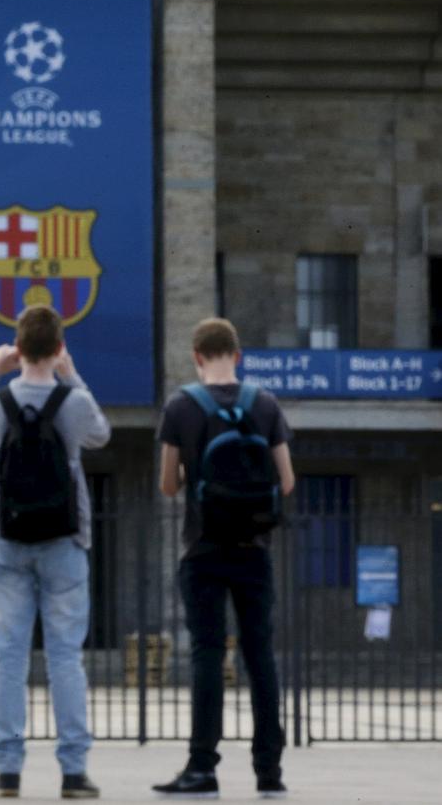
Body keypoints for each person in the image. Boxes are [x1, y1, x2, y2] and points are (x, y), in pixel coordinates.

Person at [0, 305, 109, 800]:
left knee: (9, 659)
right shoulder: (72, 402)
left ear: (18, 349)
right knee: (65, 658)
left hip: (8, 540)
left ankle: (8, 770)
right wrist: (72, 375)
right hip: (65, 542)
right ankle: (74, 772)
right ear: (58, 348)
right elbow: (101, 433)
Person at [152, 318, 294, 800]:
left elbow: (168, 485)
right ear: (237, 356)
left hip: (203, 549)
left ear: (196, 356)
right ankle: (269, 772)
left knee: (207, 656)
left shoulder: (181, 406)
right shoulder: (265, 404)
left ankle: (202, 769)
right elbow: (287, 481)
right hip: (255, 550)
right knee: (260, 657)